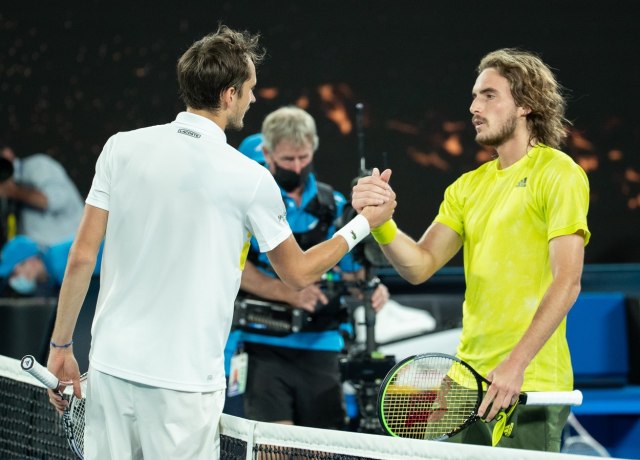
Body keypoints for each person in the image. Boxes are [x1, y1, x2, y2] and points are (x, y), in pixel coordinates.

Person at [45, 25, 395, 460]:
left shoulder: (121, 148)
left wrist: (60, 347)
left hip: (111, 370)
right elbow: (299, 272)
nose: (254, 98)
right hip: (184, 387)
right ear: (230, 95)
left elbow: (81, 257)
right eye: (250, 89)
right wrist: (364, 223)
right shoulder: (251, 178)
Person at [352, 48, 590, 452]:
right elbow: (420, 266)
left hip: (528, 382)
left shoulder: (558, 173)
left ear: (526, 104)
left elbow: (567, 282)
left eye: (489, 95)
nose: (474, 107)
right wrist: (381, 223)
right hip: (464, 381)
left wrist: (515, 365)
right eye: (475, 97)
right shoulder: (467, 187)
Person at [230, 106, 389, 429]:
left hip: (322, 346)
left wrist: (371, 288)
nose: (297, 166)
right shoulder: (251, 199)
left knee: (320, 446)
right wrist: (289, 292)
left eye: (303, 157)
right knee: (272, 446)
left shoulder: (335, 205)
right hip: (264, 345)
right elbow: (233, 264)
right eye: (288, 159)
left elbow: (351, 271)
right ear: (268, 153)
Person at [0, 142, 84, 246]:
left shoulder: (37, 166)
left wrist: (13, 191)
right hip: (36, 252)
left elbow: (53, 200)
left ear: (7, 153)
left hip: (70, 246)